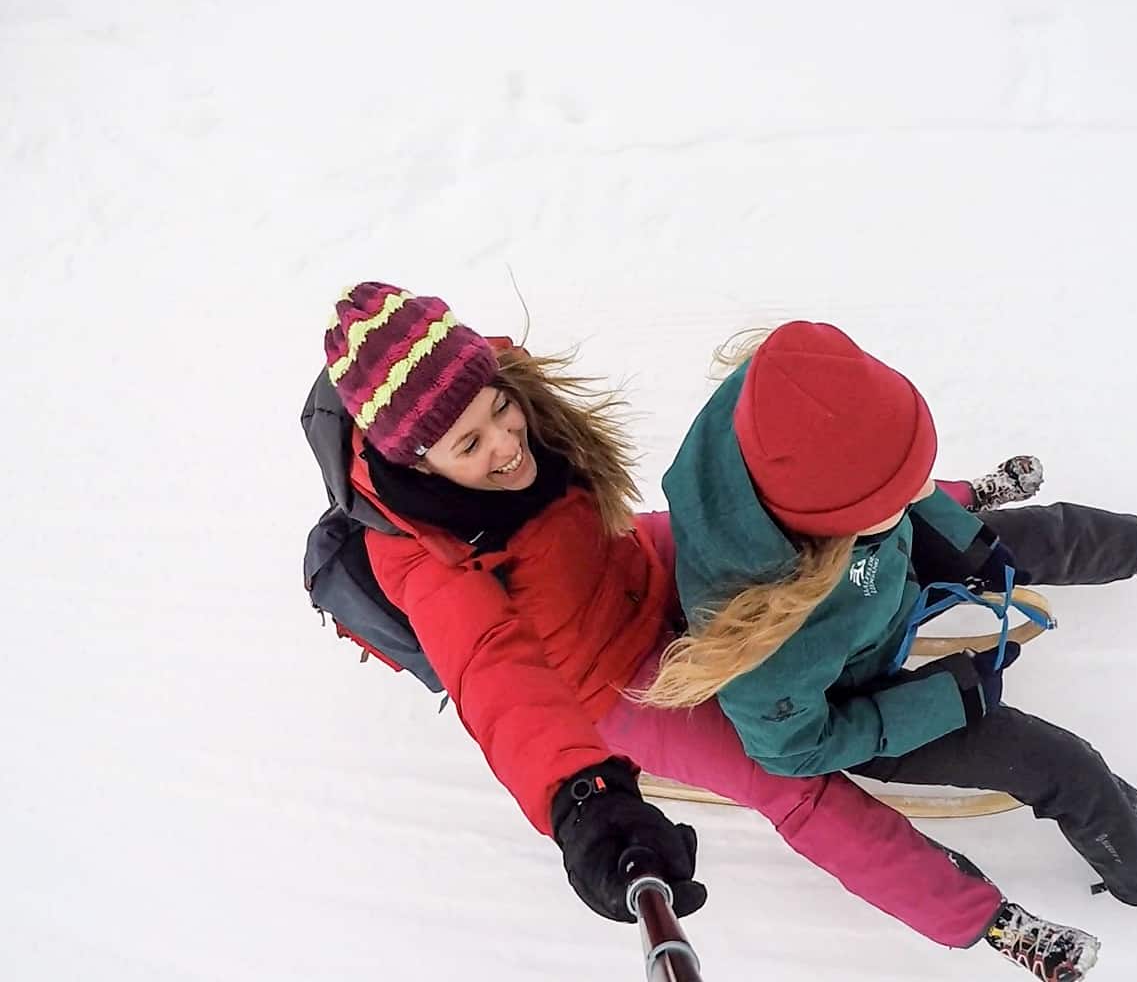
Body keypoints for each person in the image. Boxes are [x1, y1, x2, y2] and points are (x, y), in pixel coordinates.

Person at [309, 282, 1077, 966]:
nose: (508, 445)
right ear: (414, 462)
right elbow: (494, 675)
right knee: (791, 784)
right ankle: (992, 924)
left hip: (638, 557)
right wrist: (585, 802)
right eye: (470, 445)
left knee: (769, 499)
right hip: (616, 681)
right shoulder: (427, 560)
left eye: (502, 411)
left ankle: (934, 494)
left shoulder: (490, 383)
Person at [645, 321, 1137, 980]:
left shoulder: (781, 398)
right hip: (864, 696)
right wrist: (946, 698)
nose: (917, 491)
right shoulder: (766, 643)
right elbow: (794, 749)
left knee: (1029, 536)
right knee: (1062, 763)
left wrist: (950, 530)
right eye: (897, 492)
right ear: (834, 522)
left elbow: (896, 483)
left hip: (873, 570)